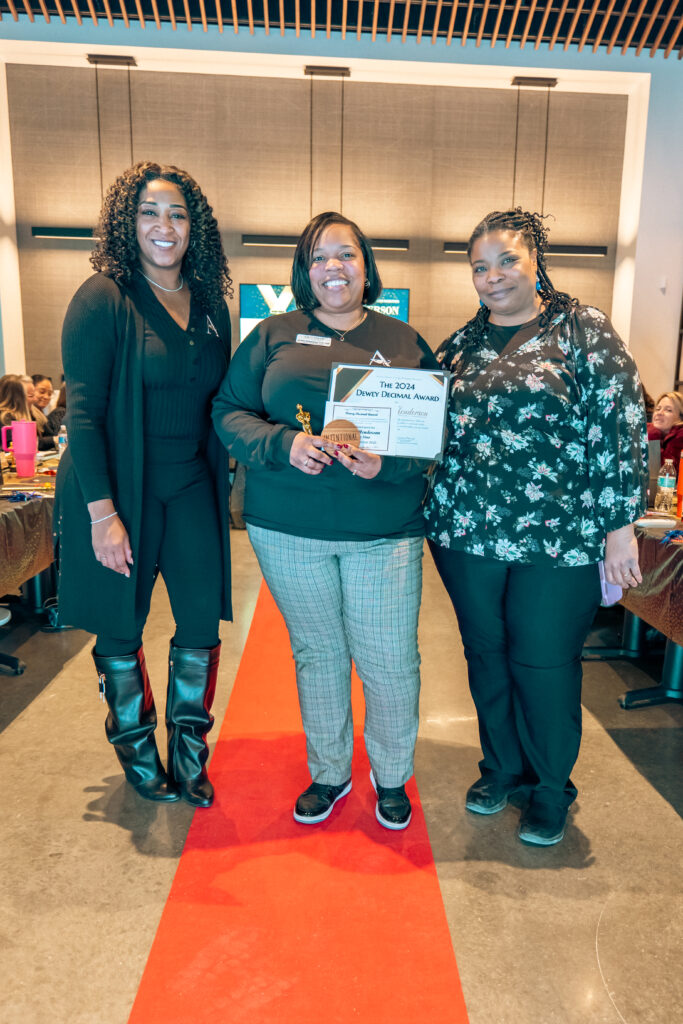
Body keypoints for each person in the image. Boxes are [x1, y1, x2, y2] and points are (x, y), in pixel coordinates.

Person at [424, 207, 648, 847]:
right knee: (487, 657)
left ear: (536, 262)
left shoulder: (584, 331)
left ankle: (551, 788)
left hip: (559, 538)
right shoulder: (462, 345)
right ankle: (502, 769)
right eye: (479, 267)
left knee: (544, 662)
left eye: (506, 261)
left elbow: (620, 427)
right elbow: (427, 423)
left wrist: (618, 526)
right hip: (466, 533)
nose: (492, 277)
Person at [212, 211, 437, 830]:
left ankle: (391, 777)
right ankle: (331, 772)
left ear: (367, 267)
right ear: (302, 271)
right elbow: (229, 413)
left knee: (390, 660)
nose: (332, 268)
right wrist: (282, 445)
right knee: (318, 655)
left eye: (345, 255)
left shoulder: (403, 341)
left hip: (384, 532)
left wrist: (384, 465)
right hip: (287, 528)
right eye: (318, 257)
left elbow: (430, 437)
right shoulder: (271, 335)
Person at [55, 161, 233, 807]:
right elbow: (82, 412)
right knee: (122, 628)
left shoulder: (213, 305)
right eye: (150, 212)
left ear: (196, 227)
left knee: (198, 624)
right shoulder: (102, 297)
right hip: (120, 490)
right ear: (128, 223)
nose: (165, 226)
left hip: (190, 487)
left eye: (178, 214)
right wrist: (103, 516)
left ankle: (189, 753)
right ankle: (134, 745)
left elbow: (224, 399)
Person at [647, 391, 683, 467]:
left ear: (681, 417)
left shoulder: (680, 436)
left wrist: (653, 437)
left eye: (668, 410)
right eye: (657, 409)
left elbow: (667, 472)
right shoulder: (648, 429)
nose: (659, 413)